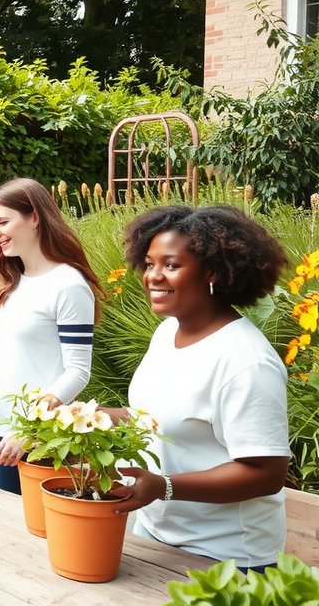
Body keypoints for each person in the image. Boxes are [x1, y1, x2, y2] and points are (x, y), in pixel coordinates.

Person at [108, 205, 289, 573]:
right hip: (153, 536)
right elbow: (163, 417)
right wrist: (97, 417)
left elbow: (267, 473)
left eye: (171, 265)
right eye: (149, 263)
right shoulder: (167, 333)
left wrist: (163, 486)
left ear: (212, 272)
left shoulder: (246, 361)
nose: (153, 276)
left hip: (224, 560)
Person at [0, 178, 103, 494]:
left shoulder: (68, 286)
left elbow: (78, 372)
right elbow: (6, 355)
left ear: (34, 216)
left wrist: (31, 429)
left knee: (39, 536)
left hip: (37, 439)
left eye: (3, 221)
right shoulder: (9, 280)